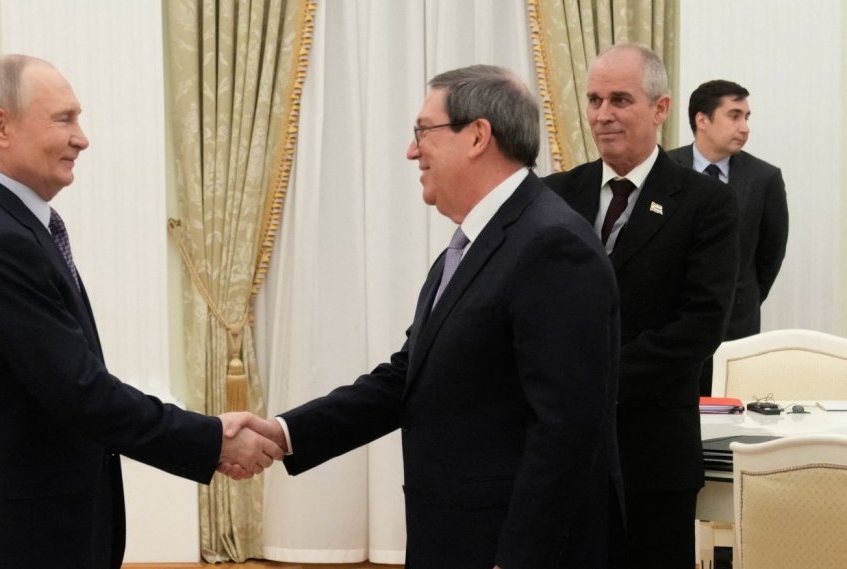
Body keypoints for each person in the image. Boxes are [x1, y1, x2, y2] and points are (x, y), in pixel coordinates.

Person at [230, 64, 625, 568]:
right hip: (455, 536)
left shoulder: (551, 244)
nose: (412, 151)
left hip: (506, 546)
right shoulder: (475, 244)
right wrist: (284, 434)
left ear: (477, 135)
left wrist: (519, 559)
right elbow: (408, 378)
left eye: (423, 131)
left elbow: (566, 428)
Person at [0, 54, 282, 569]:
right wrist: (211, 439)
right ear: (0, 126)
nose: (81, 138)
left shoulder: (5, 225)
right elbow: (81, 391)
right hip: (4, 538)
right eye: (63, 119)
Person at [543, 44, 739, 568]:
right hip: (559, 451)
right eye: (594, 100)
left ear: (660, 108)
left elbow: (700, 324)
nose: (602, 114)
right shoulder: (554, 195)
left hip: (652, 453)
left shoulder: (706, 203)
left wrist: (595, 381)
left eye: (620, 100)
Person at [668, 80, 789, 395]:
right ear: (702, 120)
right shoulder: (664, 169)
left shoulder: (764, 178)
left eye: (746, 117)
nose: (744, 127)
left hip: (736, 327)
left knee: (731, 412)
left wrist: (743, 297)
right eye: (734, 116)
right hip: (667, 324)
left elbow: (769, 255)